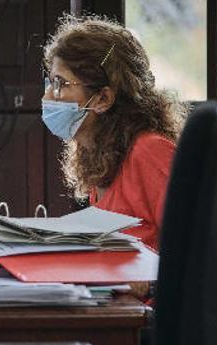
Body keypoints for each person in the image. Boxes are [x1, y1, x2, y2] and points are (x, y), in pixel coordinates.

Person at [41, 15, 188, 250]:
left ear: (102, 99)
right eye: (49, 83)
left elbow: (215, 246)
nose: (47, 96)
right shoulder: (97, 156)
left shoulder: (149, 151)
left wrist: (147, 281)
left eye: (61, 84)